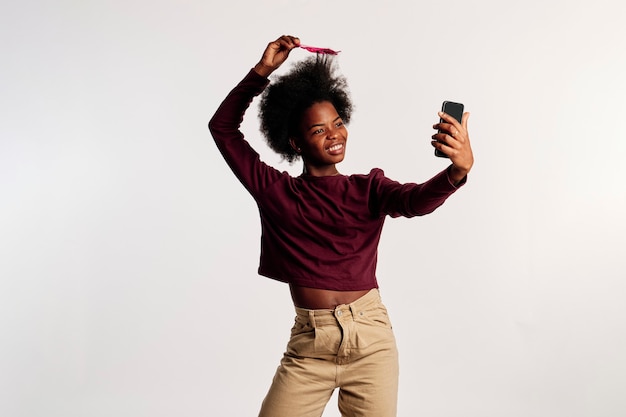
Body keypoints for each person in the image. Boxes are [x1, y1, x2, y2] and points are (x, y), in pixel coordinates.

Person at [208, 35, 473, 417]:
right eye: (318, 130)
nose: (334, 134)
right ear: (295, 143)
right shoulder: (274, 190)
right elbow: (223, 128)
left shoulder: (368, 189)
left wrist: (456, 172)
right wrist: (262, 71)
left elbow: (414, 201)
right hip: (308, 346)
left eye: (337, 123)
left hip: (371, 342)